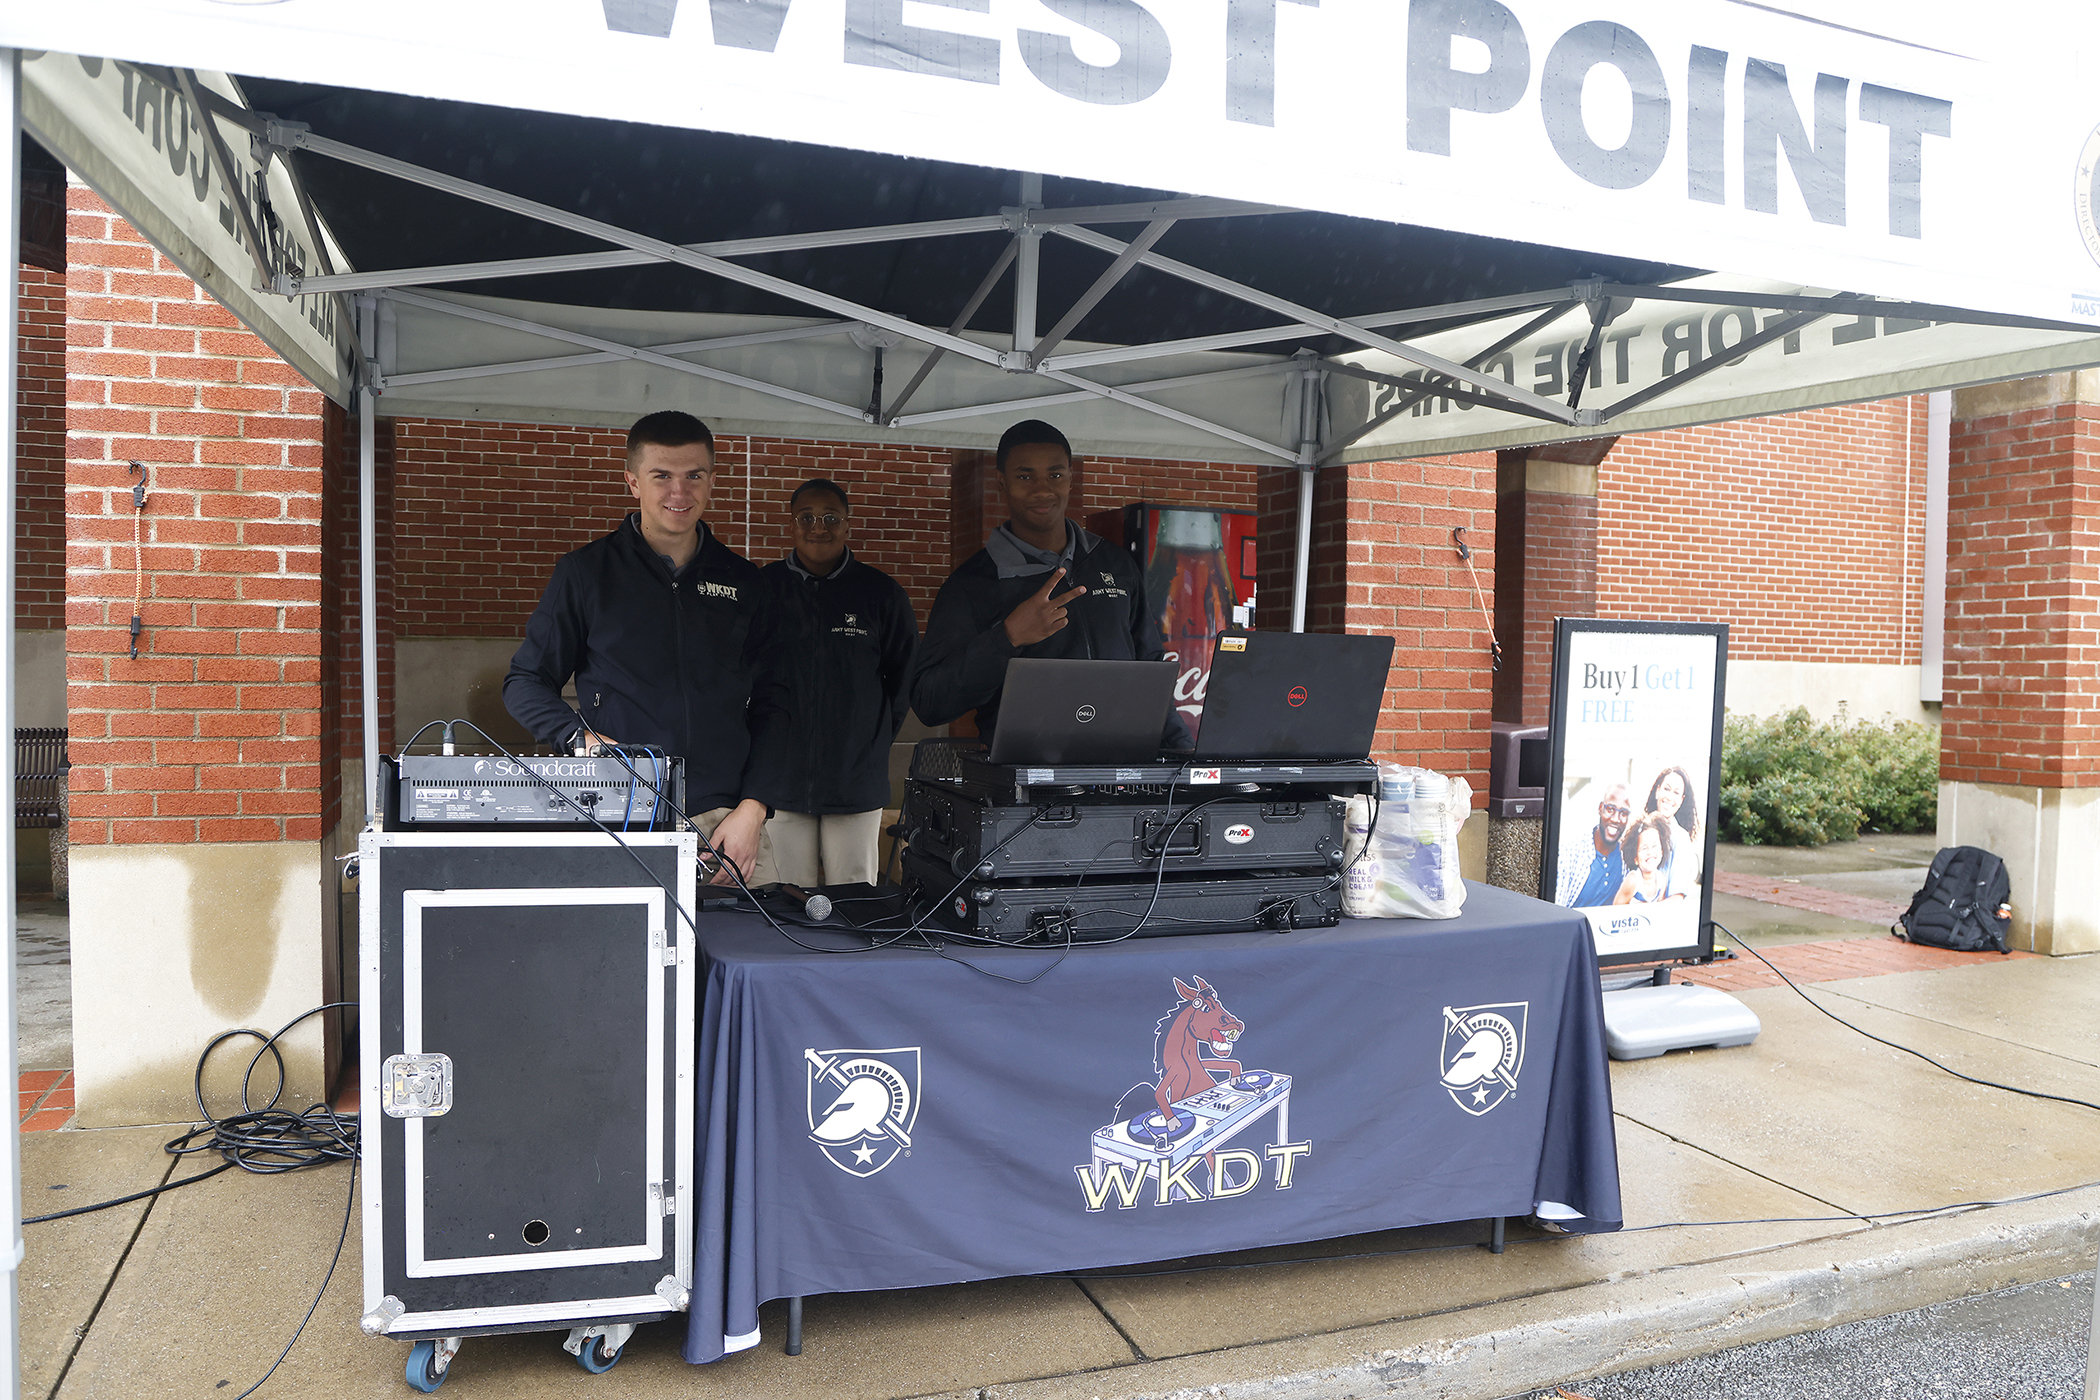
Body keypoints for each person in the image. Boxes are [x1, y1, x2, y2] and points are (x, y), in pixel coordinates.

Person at [503, 410, 771, 886]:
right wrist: (577, 738)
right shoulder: (586, 574)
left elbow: (777, 703)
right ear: (632, 482)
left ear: (711, 480)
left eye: (694, 476)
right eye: (661, 476)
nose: (679, 493)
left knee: (743, 959)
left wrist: (755, 808)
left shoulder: (746, 582)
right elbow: (525, 681)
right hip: (621, 813)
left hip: (727, 827)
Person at [909, 419, 1189, 748]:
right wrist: (1007, 637)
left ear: (1071, 477)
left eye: (1055, 475)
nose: (1042, 489)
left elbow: (1151, 671)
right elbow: (930, 702)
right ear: (1001, 482)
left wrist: (1185, 754)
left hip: (1119, 775)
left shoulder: (1114, 564)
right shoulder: (972, 584)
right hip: (1030, 785)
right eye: (1025, 476)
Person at [746, 479, 918, 887]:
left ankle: (853, 955)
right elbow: (738, 673)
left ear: (847, 525)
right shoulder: (763, 589)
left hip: (853, 779)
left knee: (855, 899)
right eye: (806, 517)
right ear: (792, 524)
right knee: (786, 898)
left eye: (829, 518)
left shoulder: (880, 594)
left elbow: (904, 678)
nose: (817, 527)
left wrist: (869, 738)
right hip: (778, 779)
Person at [1555, 782, 1633, 907]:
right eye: (1610, 809)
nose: (1615, 819)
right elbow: (1555, 910)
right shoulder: (1570, 854)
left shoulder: (1627, 857)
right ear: (1600, 808)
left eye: (1623, 813)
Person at [1644, 764, 1703, 896]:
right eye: (1666, 789)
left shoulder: (1681, 838)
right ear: (1657, 791)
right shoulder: (1640, 828)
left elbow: (1676, 897)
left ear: (1681, 800)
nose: (1669, 797)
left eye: (1676, 792)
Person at [1612, 813, 1677, 905]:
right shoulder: (1633, 880)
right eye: (1644, 848)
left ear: (1662, 850)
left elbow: (1659, 911)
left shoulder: (1662, 880)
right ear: (1635, 858)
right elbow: (1615, 908)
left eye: (1654, 846)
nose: (1650, 852)